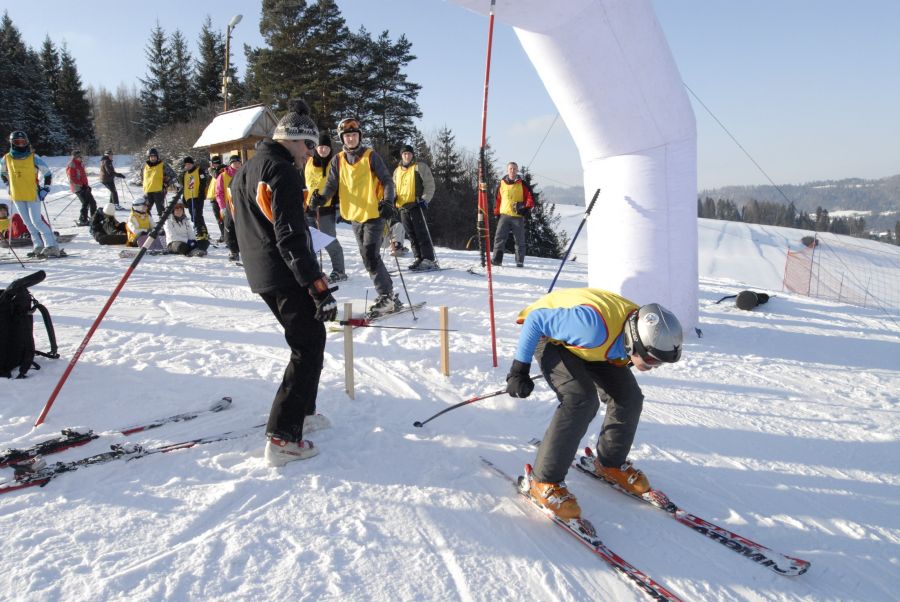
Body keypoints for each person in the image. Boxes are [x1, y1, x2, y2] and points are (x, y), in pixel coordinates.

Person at [505, 288, 683, 520]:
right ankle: (543, 481)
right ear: (635, 340)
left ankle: (610, 463)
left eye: (659, 363)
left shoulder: (633, 329)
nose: (651, 367)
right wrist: (519, 370)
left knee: (629, 398)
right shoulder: (591, 327)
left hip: (597, 348)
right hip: (551, 337)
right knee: (581, 400)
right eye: (650, 359)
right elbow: (536, 321)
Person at [229, 98, 337, 467]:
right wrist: (316, 284)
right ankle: (282, 437)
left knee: (312, 339)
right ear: (292, 139)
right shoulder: (282, 170)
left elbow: (236, 224)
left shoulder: (248, 168)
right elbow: (289, 236)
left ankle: (303, 414)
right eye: (308, 145)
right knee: (306, 346)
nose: (310, 154)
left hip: (263, 271)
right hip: (284, 273)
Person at [312, 117, 400, 317]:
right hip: (354, 216)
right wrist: (321, 197)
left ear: (359, 136)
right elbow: (331, 185)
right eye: (347, 136)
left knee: (370, 254)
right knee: (368, 257)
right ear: (342, 138)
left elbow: (387, 181)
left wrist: (388, 201)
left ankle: (386, 296)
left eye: (354, 135)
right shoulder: (338, 160)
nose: (351, 139)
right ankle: (389, 295)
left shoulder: (371, 156)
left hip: (374, 213)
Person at [0, 131, 60, 257]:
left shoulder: (33, 157)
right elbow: (3, 173)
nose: (21, 145)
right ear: (12, 143)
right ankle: (37, 245)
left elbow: (47, 174)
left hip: (32, 193)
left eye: (23, 142)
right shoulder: (6, 158)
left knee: (36, 221)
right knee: (27, 222)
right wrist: (8, 185)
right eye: (18, 142)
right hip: (17, 194)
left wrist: (46, 189)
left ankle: (51, 245)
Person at [304, 132, 347, 282]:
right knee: (310, 242)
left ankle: (339, 271)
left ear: (330, 149)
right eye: (321, 147)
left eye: (326, 148)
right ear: (316, 147)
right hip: (310, 207)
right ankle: (313, 271)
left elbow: (338, 184)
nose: (323, 150)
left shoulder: (335, 162)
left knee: (328, 240)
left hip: (326, 208)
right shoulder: (308, 162)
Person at [393, 144, 437, 270]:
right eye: (404, 154)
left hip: (417, 205)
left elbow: (430, 185)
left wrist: (425, 199)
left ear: (412, 155)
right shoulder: (397, 171)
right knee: (411, 235)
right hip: (403, 207)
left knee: (421, 233)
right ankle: (418, 257)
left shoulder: (420, 167)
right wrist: (393, 198)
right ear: (401, 155)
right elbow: (394, 187)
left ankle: (428, 259)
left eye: (409, 153)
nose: (407, 156)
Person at [492, 161, 534, 267]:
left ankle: (519, 261)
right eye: (510, 168)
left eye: (514, 169)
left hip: (517, 217)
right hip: (504, 216)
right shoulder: (501, 183)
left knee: (519, 240)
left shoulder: (522, 184)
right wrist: (496, 213)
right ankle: (497, 260)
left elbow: (530, 198)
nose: (512, 170)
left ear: (517, 170)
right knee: (499, 238)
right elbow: (497, 199)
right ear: (507, 170)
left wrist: (526, 208)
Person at [177, 156, 210, 249]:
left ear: (192, 164)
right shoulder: (185, 174)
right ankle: (203, 232)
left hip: (196, 197)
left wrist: (201, 194)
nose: (187, 166)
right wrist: (184, 198)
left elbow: (203, 182)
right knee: (193, 217)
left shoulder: (198, 171)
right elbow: (184, 187)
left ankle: (200, 232)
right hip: (188, 197)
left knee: (197, 215)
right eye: (186, 164)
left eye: (189, 164)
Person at [217, 154, 242, 261]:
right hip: (228, 206)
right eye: (234, 163)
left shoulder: (244, 173)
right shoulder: (223, 176)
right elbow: (219, 193)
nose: (237, 165)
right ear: (230, 164)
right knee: (229, 230)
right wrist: (222, 207)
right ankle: (233, 251)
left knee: (243, 229)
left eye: (238, 163)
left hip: (242, 206)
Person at [138, 148, 176, 218]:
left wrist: (167, 183)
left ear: (157, 157)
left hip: (159, 191)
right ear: (148, 157)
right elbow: (141, 176)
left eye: (154, 156)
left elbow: (173, 176)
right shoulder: (144, 166)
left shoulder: (162, 165)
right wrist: (144, 183)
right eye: (151, 156)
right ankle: (148, 224)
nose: (153, 158)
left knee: (161, 211)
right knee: (144, 210)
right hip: (147, 191)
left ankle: (162, 227)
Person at [66, 149, 98, 226]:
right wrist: (81, 185)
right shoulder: (72, 165)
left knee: (92, 202)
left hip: (84, 187)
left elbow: (83, 176)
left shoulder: (80, 164)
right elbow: (72, 178)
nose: (81, 157)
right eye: (79, 156)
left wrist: (86, 185)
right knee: (85, 203)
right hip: (77, 188)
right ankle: (83, 220)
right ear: (76, 156)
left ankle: (94, 219)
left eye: (81, 156)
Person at [206, 155, 226, 242]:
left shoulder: (221, 170)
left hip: (220, 198)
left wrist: (211, 170)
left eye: (212, 163)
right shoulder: (216, 170)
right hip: (214, 197)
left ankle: (226, 236)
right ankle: (223, 235)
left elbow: (216, 175)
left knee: (223, 218)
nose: (210, 165)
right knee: (219, 219)